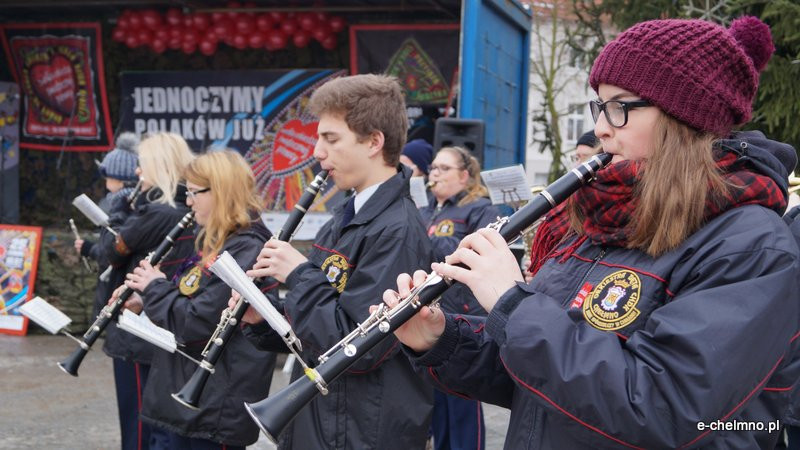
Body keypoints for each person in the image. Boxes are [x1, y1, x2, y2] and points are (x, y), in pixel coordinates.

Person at [383, 16, 800, 448]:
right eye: (599, 106)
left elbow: (664, 408)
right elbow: (540, 383)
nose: (601, 127)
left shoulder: (750, 244)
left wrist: (512, 304)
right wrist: (443, 339)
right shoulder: (599, 219)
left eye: (620, 106)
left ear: (683, 116)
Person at [239, 74, 434, 449]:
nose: (317, 152)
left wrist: (298, 274)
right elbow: (319, 328)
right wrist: (265, 319)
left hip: (361, 430)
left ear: (374, 142)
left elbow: (359, 346)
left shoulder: (398, 230)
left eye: (330, 139)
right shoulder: (345, 216)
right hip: (329, 420)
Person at [123, 150, 276, 450]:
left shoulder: (246, 249)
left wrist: (154, 288)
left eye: (194, 193)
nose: (188, 202)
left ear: (219, 191)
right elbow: (194, 298)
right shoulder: (221, 242)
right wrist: (145, 297)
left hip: (213, 410)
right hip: (194, 404)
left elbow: (196, 321)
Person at [73, 131, 147, 450]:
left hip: (130, 313)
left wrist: (92, 246)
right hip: (127, 308)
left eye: (109, 176)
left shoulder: (125, 206)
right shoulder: (133, 205)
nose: (106, 182)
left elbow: (111, 252)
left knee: (135, 409)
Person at [421, 145, 498, 450]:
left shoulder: (480, 208)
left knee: (462, 403)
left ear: (464, 176)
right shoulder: (424, 208)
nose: (434, 174)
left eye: (443, 168)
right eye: (433, 168)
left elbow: (475, 252)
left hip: (463, 313)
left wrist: (428, 238)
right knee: (436, 399)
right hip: (431, 311)